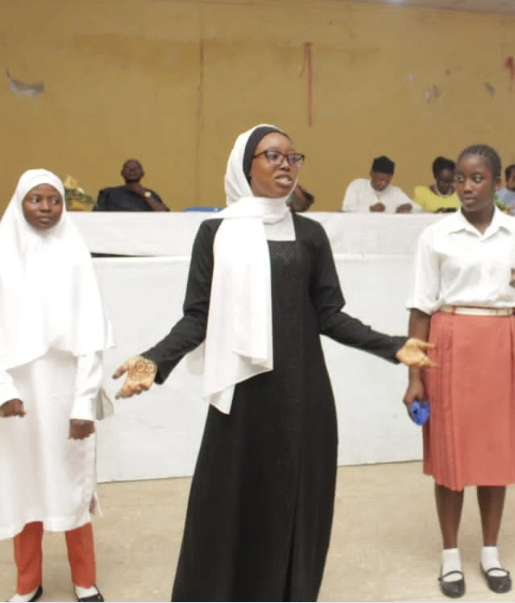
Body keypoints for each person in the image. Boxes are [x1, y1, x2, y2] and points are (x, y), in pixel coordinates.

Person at [112, 124, 436, 602]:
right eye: (273, 155)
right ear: (246, 167)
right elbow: (197, 317)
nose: (287, 164)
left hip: (304, 397)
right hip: (242, 399)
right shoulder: (216, 233)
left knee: (297, 508)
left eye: (293, 156)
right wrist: (155, 361)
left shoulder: (310, 235)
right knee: (230, 507)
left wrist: (393, 345)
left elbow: (329, 314)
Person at [404, 144, 515, 598]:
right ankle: (450, 555)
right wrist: (413, 375)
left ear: (496, 182)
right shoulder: (436, 235)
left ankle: (490, 552)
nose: (466, 188)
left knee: (495, 454)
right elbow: (419, 308)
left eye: (476, 179)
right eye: (460, 180)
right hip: (447, 341)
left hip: (498, 341)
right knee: (450, 456)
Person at [0, 170, 114, 603]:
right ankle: (27, 583)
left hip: (66, 393)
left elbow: (91, 336)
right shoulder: (2, 254)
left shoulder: (75, 255)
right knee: (23, 489)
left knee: (71, 486)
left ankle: (85, 580)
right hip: (18, 397)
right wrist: (2, 390)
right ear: (19, 203)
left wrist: (83, 403)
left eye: (54, 200)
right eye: (36, 200)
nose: (46, 208)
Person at [341, 156, 420, 213]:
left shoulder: (395, 191)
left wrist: (408, 207)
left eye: (387, 181)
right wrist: (370, 209)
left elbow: (418, 209)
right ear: (371, 174)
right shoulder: (357, 186)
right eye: (380, 180)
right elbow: (346, 209)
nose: (383, 184)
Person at [93, 159, 169, 212]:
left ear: (142, 174)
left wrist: (143, 193)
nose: (132, 170)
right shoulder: (108, 194)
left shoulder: (151, 195)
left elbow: (164, 215)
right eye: (128, 168)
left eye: (136, 168)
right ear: (122, 173)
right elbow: (96, 217)